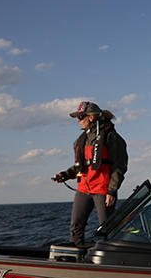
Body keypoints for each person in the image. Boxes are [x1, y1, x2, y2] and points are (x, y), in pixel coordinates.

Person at [52, 101, 128, 246]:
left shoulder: (111, 137)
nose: (78, 121)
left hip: (103, 189)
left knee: (107, 228)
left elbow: (119, 166)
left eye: (81, 117)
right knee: (76, 226)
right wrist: (65, 175)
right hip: (84, 188)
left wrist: (111, 191)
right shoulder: (82, 139)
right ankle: (77, 253)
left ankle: (111, 255)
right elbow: (81, 166)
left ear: (91, 117)